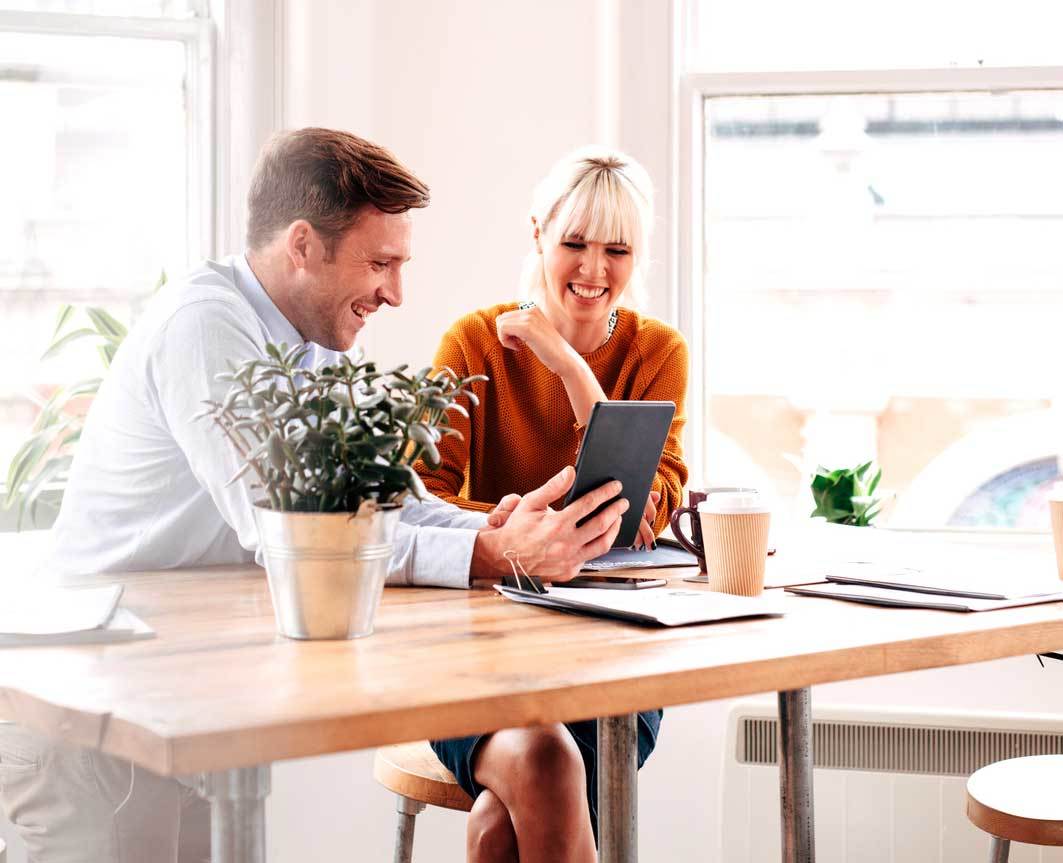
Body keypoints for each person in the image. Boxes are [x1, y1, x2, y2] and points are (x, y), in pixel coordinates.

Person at [0, 129, 628, 863]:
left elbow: (381, 499)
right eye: (380, 263)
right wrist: (492, 551)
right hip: (91, 717)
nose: (396, 292)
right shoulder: (208, 329)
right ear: (302, 246)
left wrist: (489, 524)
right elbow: (300, 534)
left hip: (179, 693)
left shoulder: (313, 338)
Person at [416, 147, 689, 862]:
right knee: (536, 771)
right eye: (572, 243)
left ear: (639, 255)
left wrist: (566, 363)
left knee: (495, 828)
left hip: (609, 649)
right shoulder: (473, 341)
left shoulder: (657, 352)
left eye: (616, 249)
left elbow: (640, 510)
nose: (593, 270)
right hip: (478, 650)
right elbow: (424, 498)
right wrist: (519, 536)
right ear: (537, 233)